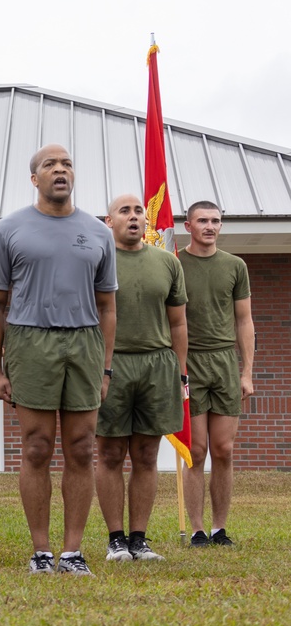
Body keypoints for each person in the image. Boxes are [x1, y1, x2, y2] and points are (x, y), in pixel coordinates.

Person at [0, 144, 117, 576]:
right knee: (37, 447)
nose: (60, 170)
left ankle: (73, 553)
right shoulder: (8, 230)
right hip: (29, 341)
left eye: (67, 164)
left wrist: (106, 366)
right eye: (49, 165)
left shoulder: (99, 232)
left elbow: (108, 307)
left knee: (81, 448)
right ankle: (40, 552)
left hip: (84, 344)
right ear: (34, 178)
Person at [96, 194, 187, 562]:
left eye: (138, 212)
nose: (134, 217)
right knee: (110, 453)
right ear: (108, 221)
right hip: (111, 366)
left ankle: (139, 539)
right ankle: (115, 539)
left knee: (147, 454)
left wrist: (181, 371)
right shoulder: (97, 263)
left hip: (157, 365)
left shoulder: (167, 263)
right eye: (125, 211)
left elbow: (178, 322)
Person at [179, 200, 254, 547]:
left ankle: (219, 528)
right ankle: (196, 529)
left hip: (225, 363)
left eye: (216, 221)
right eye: (203, 221)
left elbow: (244, 320)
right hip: (189, 363)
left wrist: (247, 372)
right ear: (188, 225)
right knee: (195, 450)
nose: (210, 226)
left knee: (223, 449)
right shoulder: (174, 263)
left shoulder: (235, 266)